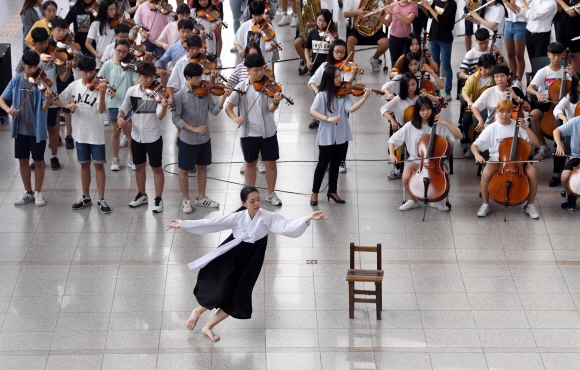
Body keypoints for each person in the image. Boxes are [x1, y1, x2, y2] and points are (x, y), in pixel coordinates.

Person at [165, 186, 328, 341]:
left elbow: (286, 226)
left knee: (239, 296)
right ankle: (198, 311)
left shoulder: (267, 216)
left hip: (252, 260)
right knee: (223, 288)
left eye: (258, 199)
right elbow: (213, 224)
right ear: (243, 203)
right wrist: (183, 223)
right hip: (232, 255)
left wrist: (308, 218)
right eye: (252, 201)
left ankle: (208, 326)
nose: (257, 203)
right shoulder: (238, 216)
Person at [225, 54, 284, 206]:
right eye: (256, 70)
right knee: (250, 163)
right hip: (249, 132)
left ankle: (270, 193)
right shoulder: (241, 87)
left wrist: (276, 102)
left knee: (271, 163)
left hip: (268, 131)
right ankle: (251, 194)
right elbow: (228, 106)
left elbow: (270, 109)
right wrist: (235, 118)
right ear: (248, 70)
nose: (260, 73)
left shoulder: (269, 85)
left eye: (262, 70)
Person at [54, 56, 111, 213]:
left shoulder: (102, 87)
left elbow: (101, 110)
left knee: (99, 165)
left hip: (96, 134)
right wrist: (67, 105)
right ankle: (85, 196)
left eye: (91, 72)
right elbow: (57, 100)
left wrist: (101, 95)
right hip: (80, 134)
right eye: (85, 72)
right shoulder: (74, 85)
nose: (88, 75)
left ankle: (101, 198)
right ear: (79, 70)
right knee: (84, 165)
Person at [309, 65, 372, 205]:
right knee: (322, 164)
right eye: (336, 77)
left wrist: (364, 98)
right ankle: (314, 193)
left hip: (342, 133)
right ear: (329, 79)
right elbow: (312, 111)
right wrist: (327, 118)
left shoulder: (344, 93)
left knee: (336, 164)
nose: (339, 79)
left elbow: (351, 109)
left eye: (340, 76)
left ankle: (332, 191)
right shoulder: (322, 94)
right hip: (326, 134)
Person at [172, 62, 231, 213]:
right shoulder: (179, 96)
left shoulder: (205, 92)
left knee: (203, 167)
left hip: (204, 138)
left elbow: (215, 111)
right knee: (184, 170)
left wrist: (224, 97)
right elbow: (176, 118)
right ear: (188, 77)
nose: (201, 79)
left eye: (201, 76)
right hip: (187, 139)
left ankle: (201, 197)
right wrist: (193, 128)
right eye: (197, 77)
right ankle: (186, 200)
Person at [389, 96, 462, 211]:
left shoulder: (439, 125)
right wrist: (392, 154)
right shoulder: (410, 126)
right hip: (415, 159)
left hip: (435, 161)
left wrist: (445, 123)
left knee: (446, 176)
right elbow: (392, 140)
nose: (425, 112)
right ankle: (413, 200)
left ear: (432, 110)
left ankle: (438, 200)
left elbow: (459, 136)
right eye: (422, 110)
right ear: (417, 111)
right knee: (405, 177)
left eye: (428, 109)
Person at [471, 99, 540, 218]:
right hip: (497, 161)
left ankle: (530, 205)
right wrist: (477, 155)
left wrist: (526, 128)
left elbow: (535, 142)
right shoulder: (492, 128)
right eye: (501, 112)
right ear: (497, 111)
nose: (504, 115)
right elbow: (474, 146)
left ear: (512, 112)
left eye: (507, 112)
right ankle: (485, 204)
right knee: (486, 173)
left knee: (532, 172)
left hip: (518, 161)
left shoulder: (518, 126)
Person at [0, 50, 52, 207]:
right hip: (20, 130)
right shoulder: (16, 81)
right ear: (23, 65)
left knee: (38, 161)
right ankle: (28, 192)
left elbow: (44, 108)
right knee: (23, 160)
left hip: (37, 130)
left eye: (36, 67)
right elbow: (2, 99)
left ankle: (38, 193)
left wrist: (48, 99)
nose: (33, 70)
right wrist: (8, 110)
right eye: (30, 67)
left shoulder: (41, 82)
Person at [117, 61, 169, 213]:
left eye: (152, 77)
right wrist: (121, 117)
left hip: (153, 136)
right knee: (139, 166)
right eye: (145, 77)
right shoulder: (132, 91)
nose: (149, 80)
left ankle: (158, 199)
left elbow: (159, 116)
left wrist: (164, 108)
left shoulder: (158, 92)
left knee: (156, 167)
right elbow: (124, 108)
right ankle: (142, 194)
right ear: (138, 76)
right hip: (136, 136)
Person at [20, 27, 71, 171]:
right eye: (40, 44)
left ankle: (54, 156)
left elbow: (62, 78)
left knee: (53, 129)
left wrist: (67, 69)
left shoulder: (53, 56)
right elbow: (20, 75)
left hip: (51, 99)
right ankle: (38, 158)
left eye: (45, 43)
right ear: (34, 42)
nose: (44, 46)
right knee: (36, 130)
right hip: (33, 101)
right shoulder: (29, 57)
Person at [99, 38, 139, 171]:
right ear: (114, 49)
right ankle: (115, 159)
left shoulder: (130, 66)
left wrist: (143, 78)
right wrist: (108, 89)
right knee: (115, 132)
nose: (121, 54)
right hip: (114, 103)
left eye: (124, 52)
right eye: (119, 51)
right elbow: (100, 80)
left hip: (128, 104)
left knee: (129, 132)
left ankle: (132, 158)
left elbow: (135, 82)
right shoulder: (108, 65)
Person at [526, 42, 569, 161]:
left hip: (562, 101)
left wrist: (571, 75)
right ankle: (544, 146)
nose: (556, 58)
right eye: (553, 55)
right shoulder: (543, 71)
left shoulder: (566, 71)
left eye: (559, 55)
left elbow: (574, 87)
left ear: (563, 55)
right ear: (548, 55)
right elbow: (529, 88)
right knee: (534, 115)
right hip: (546, 101)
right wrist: (538, 93)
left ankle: (568, 143)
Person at [381, 72, 421, 180]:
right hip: (403, 128)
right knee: (393, 147)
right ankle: (398, 168)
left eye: (413, 84)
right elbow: (383, 109)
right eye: (408, 86)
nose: (411, 88)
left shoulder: (420, 97)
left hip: (419, 128)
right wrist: (392, 120)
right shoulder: (398, 99)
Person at [419, 0, 457, 101]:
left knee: (446, 66)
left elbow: (441, 20)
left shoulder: (452, 4)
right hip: (434, 36)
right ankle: (436, 88)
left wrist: (429, 7)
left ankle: (448, 92)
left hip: (445, 39)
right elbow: (430, 15)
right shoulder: (436, 1)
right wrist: (422, 6)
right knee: (435, 65)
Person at [472, 64, 531, 130]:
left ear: (508, 76)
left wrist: (516, 98)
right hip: (492, 126)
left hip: (512, 127)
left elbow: (528, 108)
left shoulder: (515, 90)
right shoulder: (489, 91)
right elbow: (474, 107)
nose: (499, 79)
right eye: (496, 77)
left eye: (502, 76)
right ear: (494, 78)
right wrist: (480, 120)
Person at [342, 0, 390, 72]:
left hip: (374, 28)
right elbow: (345, 14)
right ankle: (351, 64)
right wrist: (357, 12)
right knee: (350, 40)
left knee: (385, 43)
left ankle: (375, 59)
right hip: (357, 28)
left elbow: (386, 9)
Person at [460, 54, 496, 146]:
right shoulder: (473, 78)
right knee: (467, 119)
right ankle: (468, 141)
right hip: (475, 106)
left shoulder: (496, 77)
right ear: (480, 67)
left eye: (490, 68)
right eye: (485, 68)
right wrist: (469, 101)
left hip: (492, 106)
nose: (488, 71)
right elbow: (464, 92)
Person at [234, 1, 280, 72]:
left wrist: (273, 46)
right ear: (251, 14)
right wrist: (240, 50)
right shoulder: (245, 25)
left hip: (263, 63)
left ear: (263, 13)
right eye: (255, 15)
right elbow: (236, 41)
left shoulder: (268, 27)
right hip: (248, 64)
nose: (258, 18)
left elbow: (267, 49)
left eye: (260, 15)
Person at [167, 35, 213, 104]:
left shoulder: (204, 62)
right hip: (185, 99)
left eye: (197, 49)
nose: (195, 51)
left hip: (201, 97)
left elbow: (208, 83)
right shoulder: (180, 63)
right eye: (192, 48)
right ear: (187, 48)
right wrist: (171, 98)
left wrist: (211, 73)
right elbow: (171, 84)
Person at [155, 19, 194, 87]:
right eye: (183, 31)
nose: (185, 34)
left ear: (191, 32)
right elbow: (162, 61)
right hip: (178, 81)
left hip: (193, 80)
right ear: (178, 31)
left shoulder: (196, 47)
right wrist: (158, 68)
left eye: (188, 31)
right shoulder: (173, 48)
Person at [554, 113, 580, 211]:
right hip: (576, 157)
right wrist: (559, 145)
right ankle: (571, 195)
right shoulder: (576, 121)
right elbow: (556, 131)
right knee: (564, 177)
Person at [384, 0, 418, 68]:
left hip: (406, 39)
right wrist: (379, 16)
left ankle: (405, 78)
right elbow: (387, 23)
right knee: (394, 64)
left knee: (405, 63)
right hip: (393, 38)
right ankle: (394, 78)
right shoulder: (393, 5)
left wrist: (393, 12)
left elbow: (407, 21)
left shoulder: (413, 6)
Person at [303, 9, 337, 77]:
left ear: (329, 22)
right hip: (315, 66)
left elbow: (336, 51)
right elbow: (307, 49)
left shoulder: (332, 35)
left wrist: (332, 45)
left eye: (324, 21)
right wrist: (308, 61)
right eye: (319, 20)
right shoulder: (312, 33)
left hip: (328, 66)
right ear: (316, 19)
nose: (321, 23)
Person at [503, 0, 528, 89]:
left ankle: (519, 80)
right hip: (508, 24)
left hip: (521, 25)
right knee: (510, 54)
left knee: (519, 55)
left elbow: (517, 11)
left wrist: (507, 2)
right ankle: (512, 78)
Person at [85, 0, 117, 70]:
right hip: (102, 58)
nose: (113, 11)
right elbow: (88, 43)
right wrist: (96, 54)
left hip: (115, 58)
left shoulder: (116, 23)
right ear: (104, 10)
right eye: (110, 9)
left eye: (114, 9)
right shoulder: (96, 24)